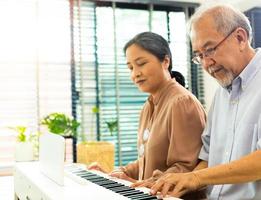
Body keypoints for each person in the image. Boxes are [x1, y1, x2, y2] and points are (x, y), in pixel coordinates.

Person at [149, 3, 261, 200]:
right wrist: (177, 180)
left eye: (209, 50)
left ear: (240, 38)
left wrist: (197, 178)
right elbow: (209, 158)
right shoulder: (221, 95)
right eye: (199, 56)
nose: (206, 64)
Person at [89, 32, 206, 186]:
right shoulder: (148, 106)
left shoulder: (182, 102)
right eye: (130, 67)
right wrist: (120, 172)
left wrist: (136, 184)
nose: (135, 74)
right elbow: (148, 160)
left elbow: (186, 168)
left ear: (165, 61)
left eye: (141, 63)